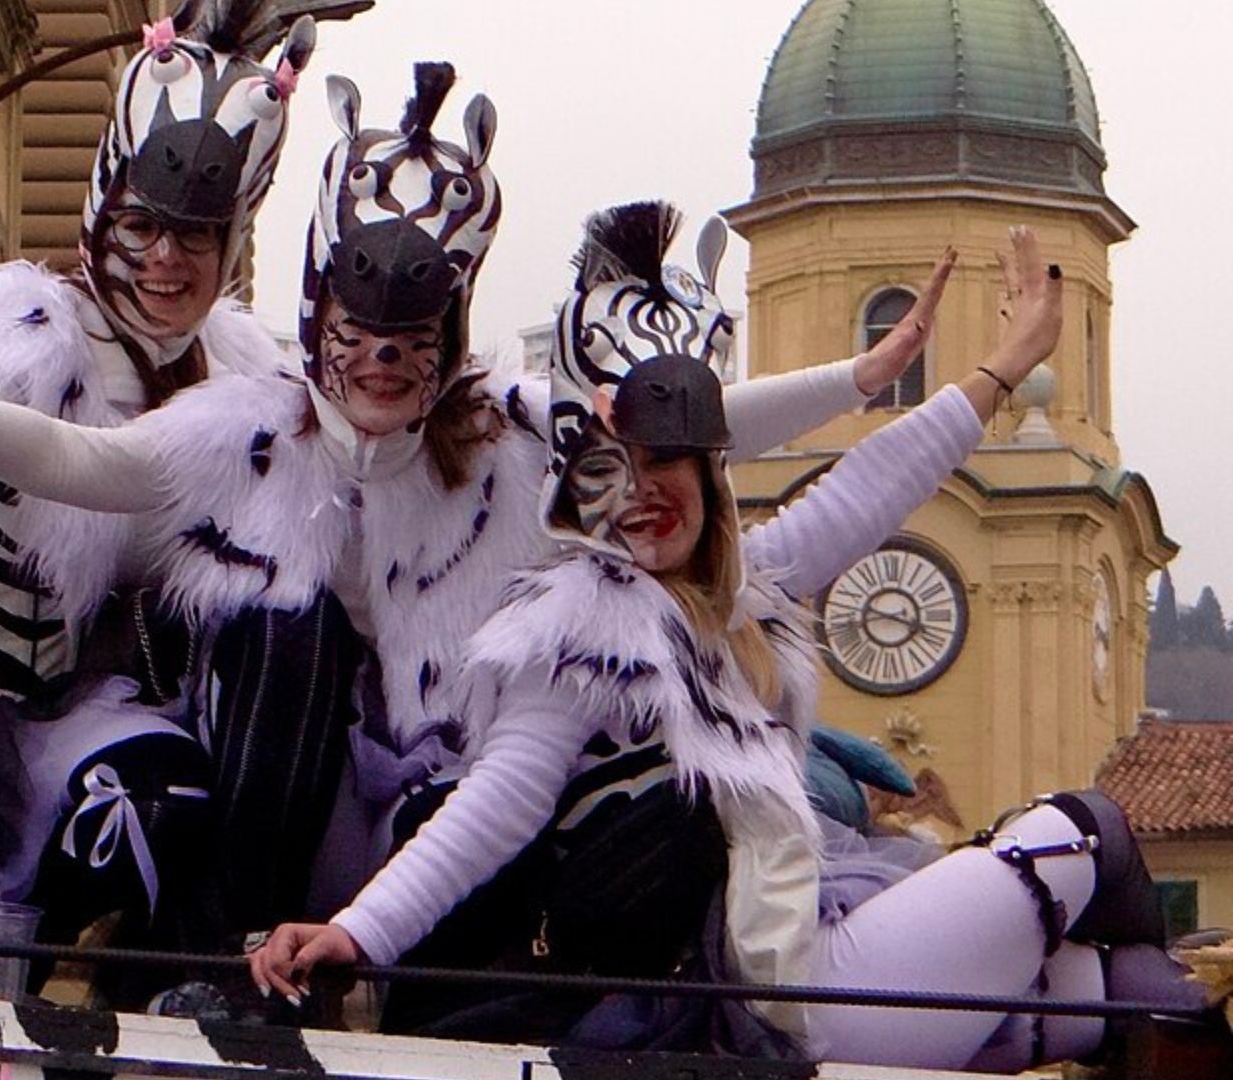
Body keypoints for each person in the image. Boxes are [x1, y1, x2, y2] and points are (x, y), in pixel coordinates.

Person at [0, 69, 942, 960]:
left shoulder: (506, 433)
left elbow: (679, 426)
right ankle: (219, 945)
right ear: (317, 324)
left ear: (447, 349)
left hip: (436, 797)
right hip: (276, 789)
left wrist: (862, 379)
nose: (382, 371)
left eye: (411, 348)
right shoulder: (244, 425)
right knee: (277, 630)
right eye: (357, 341)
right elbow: (79, 460)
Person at [248, 206, 1209, 1071]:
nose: (645, 490)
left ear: (714, 480)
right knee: (1084, 830)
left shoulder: (747, 595)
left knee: (1132, 990)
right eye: (617, 468)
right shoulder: (577, 630)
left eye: (672, 463)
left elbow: (875, 484)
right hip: (793, 993)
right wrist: (358, 932)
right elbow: (495, 803)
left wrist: (994, 370)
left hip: (831, 934)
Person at [0, 2, 327, 953]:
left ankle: (175, 972)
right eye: (146, 225)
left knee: (200, 757)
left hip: (117, 740)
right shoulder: (21, 336)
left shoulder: (244, 379)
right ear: (104, 208)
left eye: (197, 236)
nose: (166, 260)